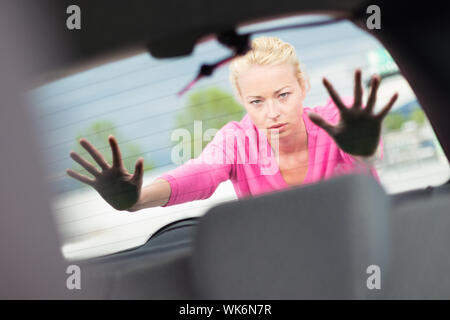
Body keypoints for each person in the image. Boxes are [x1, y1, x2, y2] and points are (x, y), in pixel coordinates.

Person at [66, 37, 398, 212]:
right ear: (242, 100)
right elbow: (201, 173)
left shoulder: (336, 121)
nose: (272, 112)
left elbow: (365, 151)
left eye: (283, 95)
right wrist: (137, 199)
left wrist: (364, 148)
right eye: (257, 101)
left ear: (303, 86)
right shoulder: (237, 141)